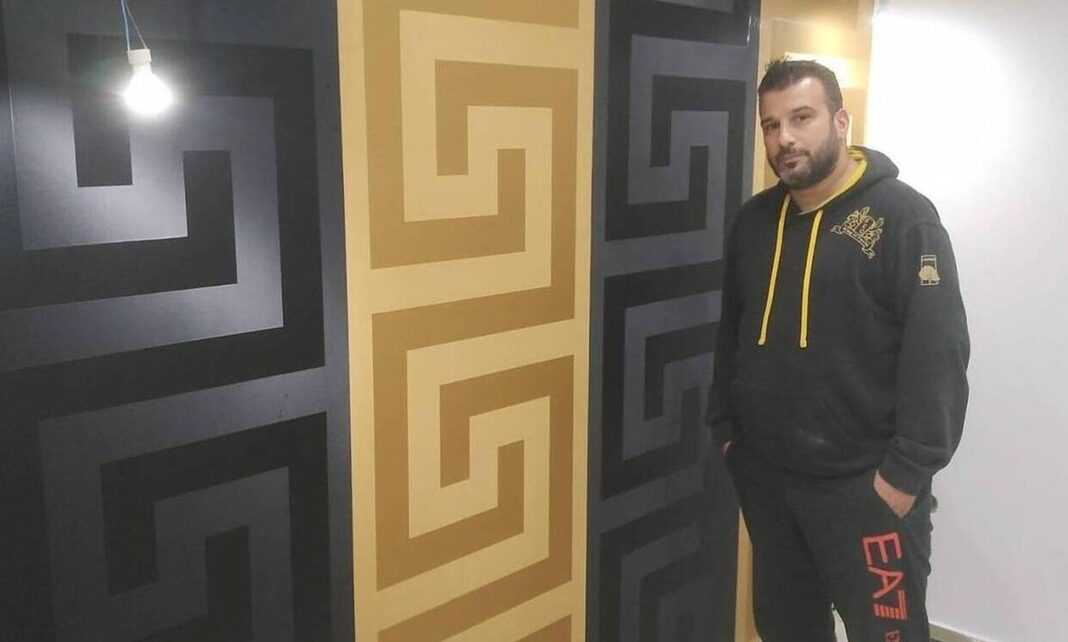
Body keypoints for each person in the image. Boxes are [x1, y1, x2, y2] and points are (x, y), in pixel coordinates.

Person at [706, 58, 970, 642]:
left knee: (888, 635)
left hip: (866, 489)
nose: (784, 138)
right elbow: (731, 332)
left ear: (841, 121)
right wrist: (726, 430)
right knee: (786, 627)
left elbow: (939, 352)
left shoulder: (903, 218)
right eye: (771, 125)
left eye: (801, 118)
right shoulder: (755, 222)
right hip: (770, 482)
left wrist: (904, 475)